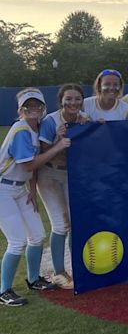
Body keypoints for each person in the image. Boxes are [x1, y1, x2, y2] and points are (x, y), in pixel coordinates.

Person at [0, 88, 71, 306]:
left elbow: (30, 169)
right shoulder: (21, 130)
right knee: (17, 240)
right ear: (20, 109)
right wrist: (58, 146)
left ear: (43, 108)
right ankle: (4, 291)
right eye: (28, 106)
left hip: (19, 188)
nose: (33, 109)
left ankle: (33, 279)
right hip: (3, 189)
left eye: (37, 105)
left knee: (38, 235)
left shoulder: (34, 128)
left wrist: (31, 189)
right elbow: (30, 163)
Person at [37, 84, 87, 290]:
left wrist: (88, 127)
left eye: (77, 99)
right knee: (60, 224)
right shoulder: (51, 121)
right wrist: (58, 138)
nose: (73, 102)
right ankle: (58, 273)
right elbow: (42, 152)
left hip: (70, 173)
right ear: (61, 101)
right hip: (49, 173)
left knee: (75, 222)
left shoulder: (83, 119)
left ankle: (76, 266)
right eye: (69, 99)